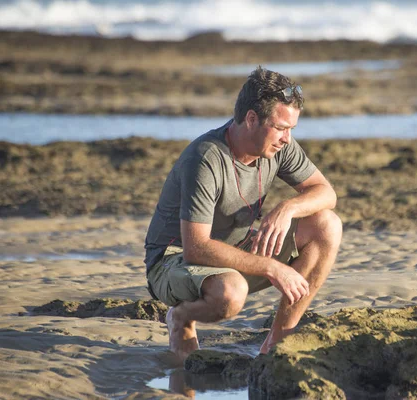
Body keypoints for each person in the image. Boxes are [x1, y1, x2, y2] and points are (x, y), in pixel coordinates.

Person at [144, 66, 342, 362]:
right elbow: (196, 248)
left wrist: (287, 208)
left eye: (292, 129)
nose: (287, 138)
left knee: (327, 225)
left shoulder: (279, 146)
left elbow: (326, 192)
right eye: (280, 127)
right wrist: (271, 268)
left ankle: (276, 347)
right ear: (251, 119)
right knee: (230, 293)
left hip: (232, 250)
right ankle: (181, 316)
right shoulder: (206, 159)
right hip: (174, 259)